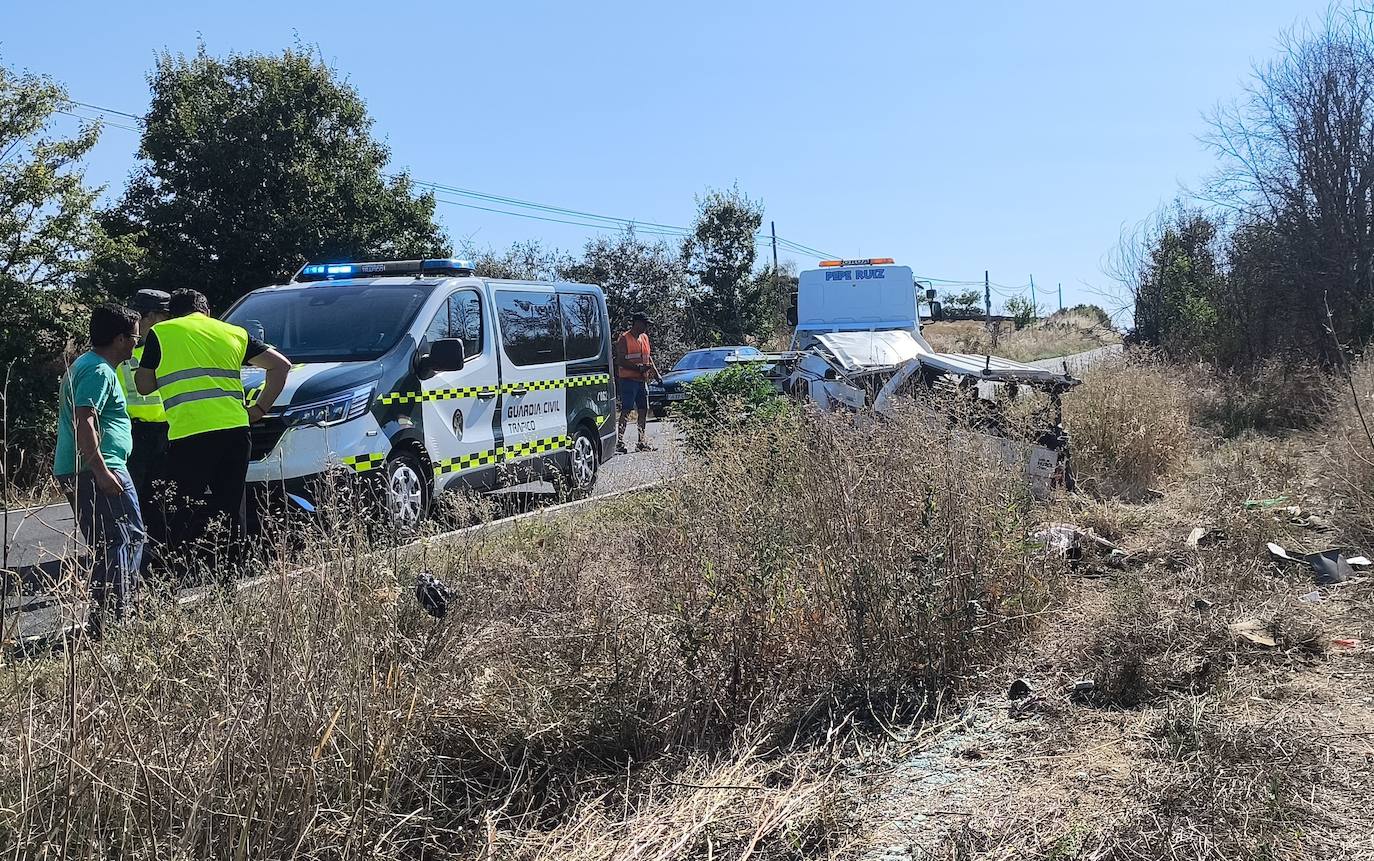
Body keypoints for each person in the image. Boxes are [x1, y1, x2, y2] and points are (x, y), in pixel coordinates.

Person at [134, 288, 290, 577]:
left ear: (174, 311)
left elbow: (144, 386)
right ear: (206, 311)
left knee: (182, 505)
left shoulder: (163, 332)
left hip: (190, 432)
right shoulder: (233, 332)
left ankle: (175, 571)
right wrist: (259, 408)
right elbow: (281, 366)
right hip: (235, 430)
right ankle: (230, 575)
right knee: (230, 504)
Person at [54, 303, 145, 635]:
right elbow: (85, 419)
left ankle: (106, 619)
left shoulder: (87, 365)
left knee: (111, 542)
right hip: (98, 469)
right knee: (124, 539)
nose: (137, 343)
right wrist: (101, 470)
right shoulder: (98, 370)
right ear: (120, 338)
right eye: (134, 337)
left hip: (86, 468)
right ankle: (117, 620)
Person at [116, 289, 171, 554]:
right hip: (135, 433)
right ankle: (137, 550)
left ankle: (161, 549)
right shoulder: (123, 349)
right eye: (163, 315)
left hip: (168, 430)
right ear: (150, 316)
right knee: (136, 496)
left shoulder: (170, 345)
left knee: (163, 495)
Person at [614, 311, 661, 453]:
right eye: (645, 324)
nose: (646, 327)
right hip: (628, 380)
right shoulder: (624, 338)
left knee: (643, 409)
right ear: (637, 323)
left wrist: (656, 373)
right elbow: (620, 360)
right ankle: (620, 443)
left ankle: (641, 441)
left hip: (642, 380)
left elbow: (648, 357)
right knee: (626, 410)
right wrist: (637, 368)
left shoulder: (645, 338)